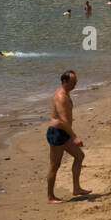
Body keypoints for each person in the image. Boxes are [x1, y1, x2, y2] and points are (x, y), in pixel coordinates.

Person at [46, 70, 89, 203]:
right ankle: (50, 197)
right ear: (64, 81)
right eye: (73, 82)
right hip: (57, 134)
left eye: (76, 82)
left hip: (64, 133)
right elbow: (63, 120)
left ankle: (76, 188)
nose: (75, 84)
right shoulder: (61, 97)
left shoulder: (66, 94)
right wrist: (74, 137)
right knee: (55, 165)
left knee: (79, 156)